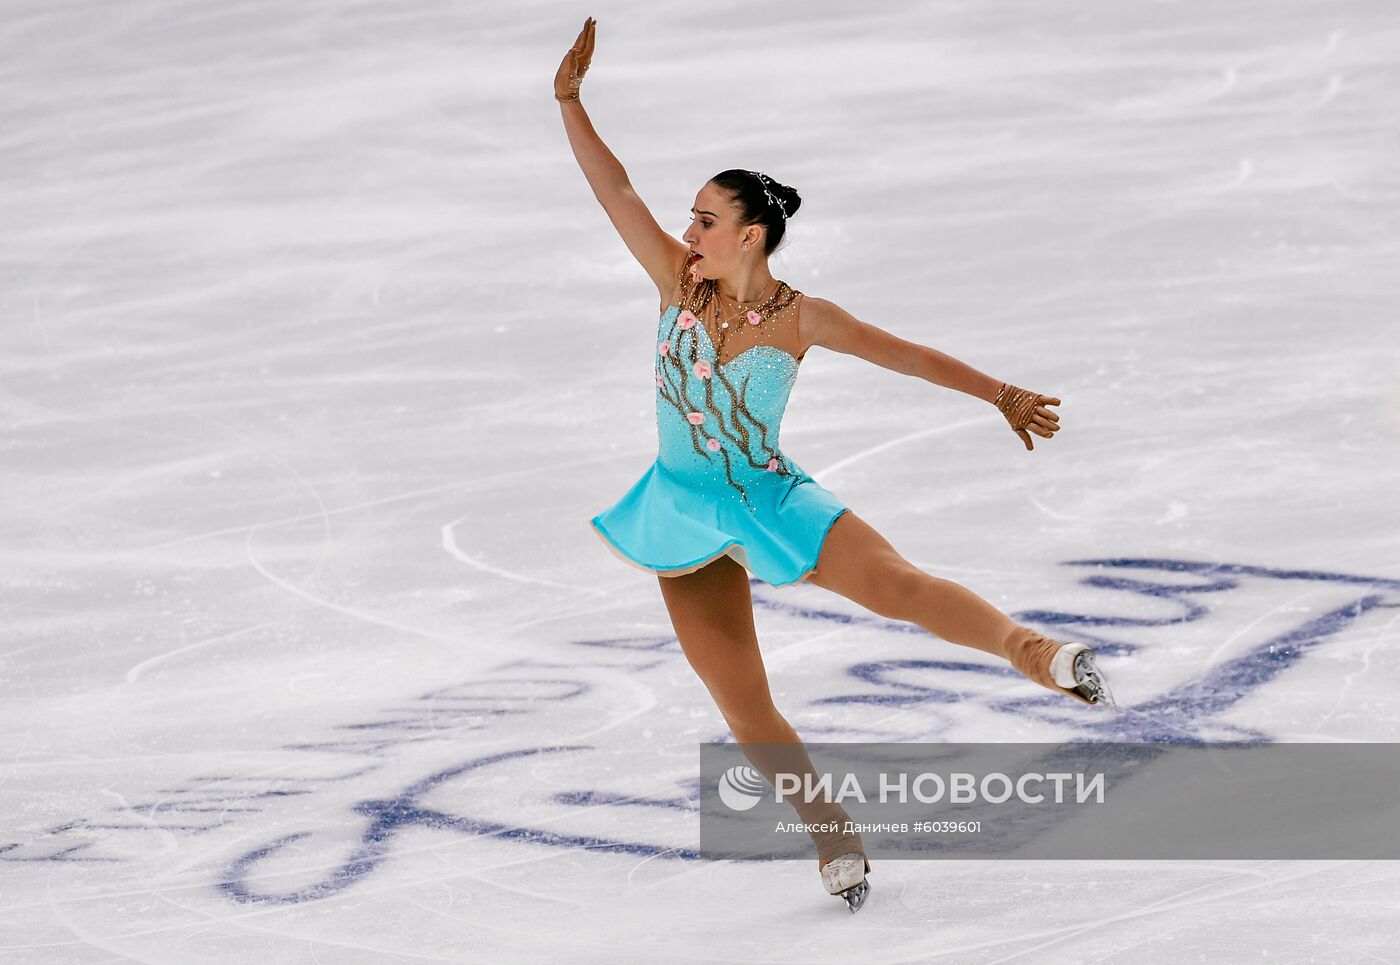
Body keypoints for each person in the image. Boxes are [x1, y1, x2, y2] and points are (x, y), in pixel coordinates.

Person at [554, 17, 1114, 913]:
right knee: (741, 700)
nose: (686, 229)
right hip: (684, 509)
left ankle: (1034, 650)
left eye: (705, 218)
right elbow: (612, 187)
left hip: (770, 495)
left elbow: (912, 357)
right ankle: (831, 833)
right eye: (690, 217)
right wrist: (571, 103)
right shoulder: (674, 282)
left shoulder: (802, 319)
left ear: (750, 235)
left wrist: (1000, 393)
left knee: (895, 580)